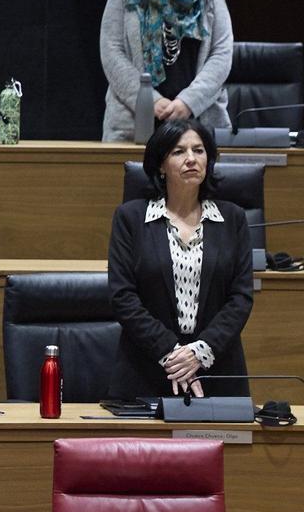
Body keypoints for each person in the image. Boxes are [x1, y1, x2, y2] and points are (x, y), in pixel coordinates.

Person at [107, 118, 255, 398]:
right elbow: (123, 297)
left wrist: (199, 352)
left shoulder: (233, 219)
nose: (191, 159)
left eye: (199, 151)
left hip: (217, 369)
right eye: (178, 151)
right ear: (161, 166)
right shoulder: (131, 218)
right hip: (147, 369)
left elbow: (241, 298)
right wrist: (172, 353)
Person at [99, 0, 235, 142]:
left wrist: (188, 102)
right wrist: (151, 101)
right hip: (133, 122)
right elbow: (112, 55)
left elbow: (221, 55)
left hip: (198, 122)